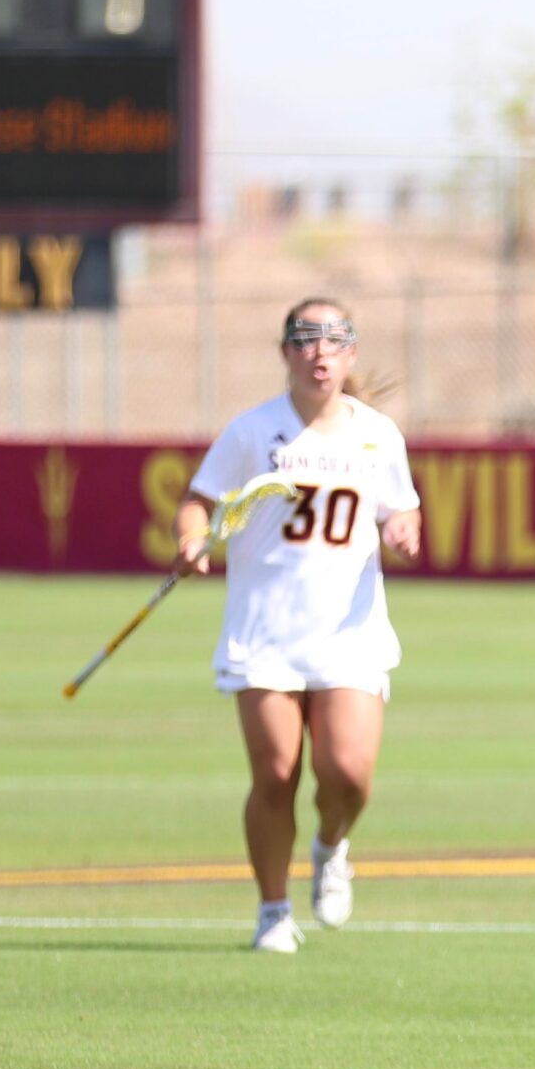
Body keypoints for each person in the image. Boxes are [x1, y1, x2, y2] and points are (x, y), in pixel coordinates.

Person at [182, 299, 422, 954]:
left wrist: (402, 530)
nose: (320, 351)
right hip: (266, 636)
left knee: (347, 773)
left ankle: (331, 845)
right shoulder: (252, 431)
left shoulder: (378, 435)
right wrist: (192, 540)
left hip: (349, 635)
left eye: (334, 339)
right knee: (276, 774)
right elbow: (199, 501)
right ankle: (273, 910)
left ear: (351, 353)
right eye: (306, 338)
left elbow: (402, 508)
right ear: (285, 351)